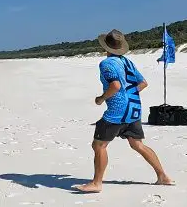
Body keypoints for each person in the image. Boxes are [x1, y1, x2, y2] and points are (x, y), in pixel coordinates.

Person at [72, 29, 174, 193]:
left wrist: (102, 98)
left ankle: (96, 183)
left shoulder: (106, 64)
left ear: (106, 47)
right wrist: (128, 95)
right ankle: (163, 176)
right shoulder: (127, 62)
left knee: (99, 145)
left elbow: (115, 86)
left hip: (117, 112)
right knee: (138, 144)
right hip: (134, 109)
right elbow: (143, 83)